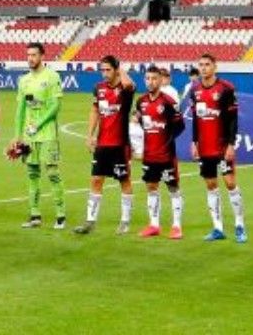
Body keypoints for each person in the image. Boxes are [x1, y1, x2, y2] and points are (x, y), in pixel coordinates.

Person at [186, 52, 246, 243]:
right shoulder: (194, 90)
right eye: (201, 65)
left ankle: (239, 225)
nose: (203, 68)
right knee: (211, 186)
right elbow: (195, 119)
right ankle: (218, 228)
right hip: (204, 147)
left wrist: (230, 144)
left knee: (230, 183)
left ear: (215, 67)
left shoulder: (226, 88)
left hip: (221, 147)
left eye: (207, 64)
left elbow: (232, 120)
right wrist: (194, 142)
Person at [75, 55, 136, 235]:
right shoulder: (99, 88)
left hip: (120, 144)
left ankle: (125, 221)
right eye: (102, 70)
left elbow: (129, 85)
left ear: (116, 69)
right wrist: (89, 135)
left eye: (108, 69)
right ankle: (90, 221)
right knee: (96, 180)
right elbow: (95, 110)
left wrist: (120, 69)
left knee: (124, 181)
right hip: (102, 144)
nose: (104, 73)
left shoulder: (124, 89)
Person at [13, 42, 67, 230]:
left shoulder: (52, 77)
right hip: (29, 137)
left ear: (42, 56)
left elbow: (55, 106)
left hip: (48, 134)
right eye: (28, 55)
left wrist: (38, 124)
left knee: (52, 172)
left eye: (34, 55)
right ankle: (35, 214)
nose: (30, 58)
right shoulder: (24, 80)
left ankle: (61, 215)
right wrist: (17, 136)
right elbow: (20, 110)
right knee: (32, 173)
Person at [135, 64, 186, 240]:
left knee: (173, 188)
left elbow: (180, 126)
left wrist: (166, 139)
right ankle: (154, 224)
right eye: (147, 78)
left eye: (154, 78)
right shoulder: (140, 102)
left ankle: (177, 226)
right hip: (149, 154)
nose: (150, 82)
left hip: (166, 154)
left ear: (160, 80)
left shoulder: (169, 102)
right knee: (151, 187)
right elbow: (143, 123)